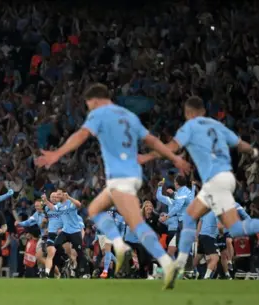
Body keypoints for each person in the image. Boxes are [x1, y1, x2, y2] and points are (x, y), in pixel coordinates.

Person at [35, 83, 191, 289]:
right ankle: (161, 262)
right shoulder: (129, 116)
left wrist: (57, 153)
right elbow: (152, 140)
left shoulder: (101, 113)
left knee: (128, 221)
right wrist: (174, 158)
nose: (90, 110)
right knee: (98, 210)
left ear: (96, 100)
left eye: (90, 105)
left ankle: (122, 247)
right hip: (133, 175)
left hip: (120, 177)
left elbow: (81, 135)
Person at [138, 96, 259, 275]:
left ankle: (177, 269)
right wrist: (253, 151)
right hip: (226, 179)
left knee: (191, 217)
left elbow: (171, 147)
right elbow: (239, 144)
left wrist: (147, 157)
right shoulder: (217, 127)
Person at [155, 177, 195, 258]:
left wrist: (167, 216)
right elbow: (160, 197)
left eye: (174, 182)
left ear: (176, 183)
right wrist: (159, 187)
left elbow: (178, 206)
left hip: (185, 223)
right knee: (174, 248)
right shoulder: (182, 194)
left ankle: (191, 267)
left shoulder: (182, 193)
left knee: (185, 247)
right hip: (181, 224)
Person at [54, 190, 88, 278]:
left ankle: (84, 272)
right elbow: (52, 210)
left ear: (64, 195)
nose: (57, 196)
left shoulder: (71, 204)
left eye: (59, 195)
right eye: (56, 195)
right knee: (56, 244)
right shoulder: (58, 206)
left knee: (79, 253)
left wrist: (68, 197)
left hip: (75, 232)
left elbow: (79, 205)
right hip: (65, 231)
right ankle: (66, 259)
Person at [195, 211, 219, 279]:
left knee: (199, 255)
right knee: (215, 258)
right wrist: (220, 233)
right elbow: (219, 225)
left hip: (201, 235)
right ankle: (206, 277)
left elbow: (200, 223)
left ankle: (190, 271)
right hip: (210, 236)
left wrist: (197, 236)